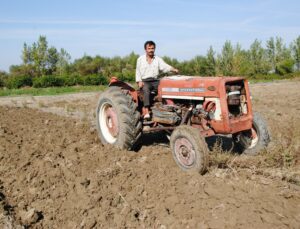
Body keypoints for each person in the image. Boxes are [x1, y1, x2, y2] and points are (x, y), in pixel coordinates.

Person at [136, 40, 179, 119]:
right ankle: (146, 110)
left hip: (155, 80)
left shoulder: (157, 59)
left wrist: (173, 69)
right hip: (145, 81)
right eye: (149, 48)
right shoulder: (140, 59)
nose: (151, 50)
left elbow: (165, 66)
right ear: (145, 49)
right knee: (146, 89)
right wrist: (139, 81)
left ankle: (170, 106)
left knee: (167, 86)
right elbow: (138, 71)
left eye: (152, 48)